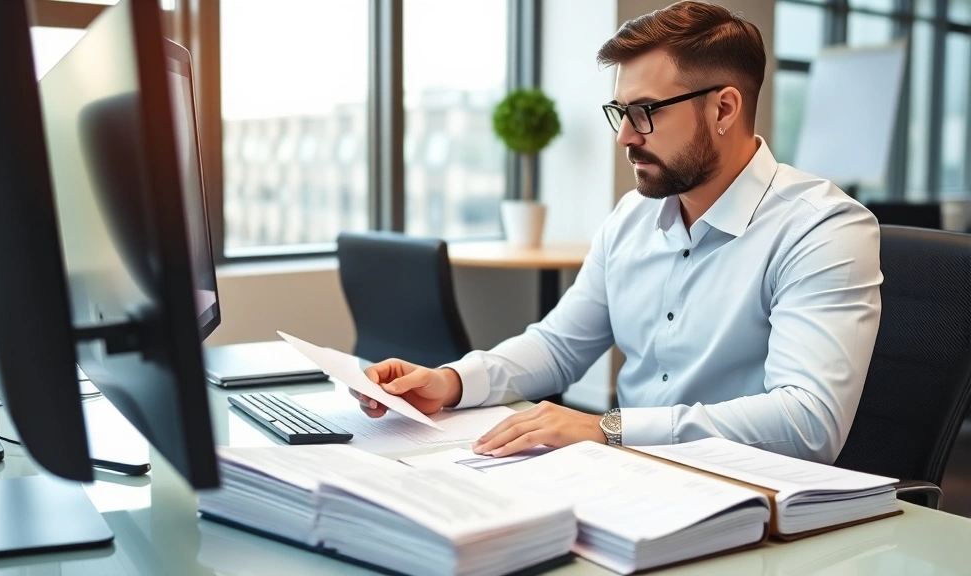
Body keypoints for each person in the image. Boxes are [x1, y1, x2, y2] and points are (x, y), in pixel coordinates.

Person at [353, 0, 882, 464]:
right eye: (620, 113)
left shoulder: (822, 228)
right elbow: (559, 346)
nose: (625, 136)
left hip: (745, 495)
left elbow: (808, 423)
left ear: (724, 108)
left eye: (645, 112)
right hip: (629, 476)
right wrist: (451, 382)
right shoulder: (632, 217)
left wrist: (610, 430)